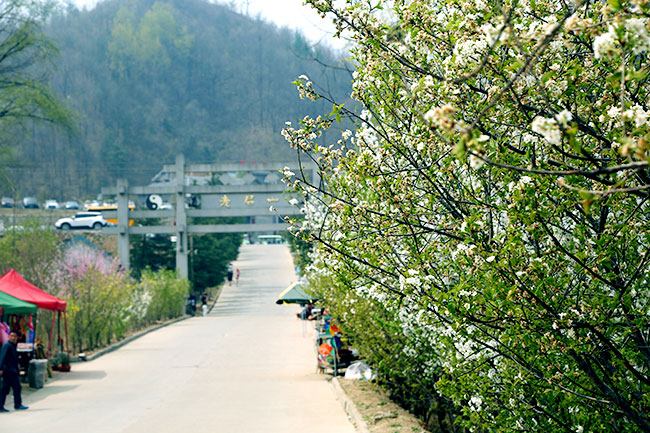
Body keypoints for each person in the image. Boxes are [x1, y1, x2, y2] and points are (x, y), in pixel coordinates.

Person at [0, 330, 28, 412]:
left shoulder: (13, 346)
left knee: (6, 389)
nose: (13, 337)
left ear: (17, 337)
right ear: (8, 336)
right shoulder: (7, 345)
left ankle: (4, 406)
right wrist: (0, 369)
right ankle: (17, 405)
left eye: (14, 336)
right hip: (8, 371)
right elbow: (2, 357)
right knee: (15, 388)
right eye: (11, 336)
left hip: (12, 370)